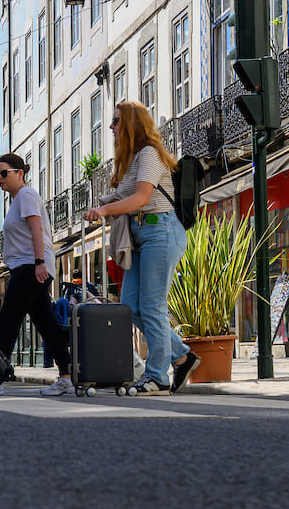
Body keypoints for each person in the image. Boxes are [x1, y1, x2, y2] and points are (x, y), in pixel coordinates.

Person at [84, 101, 200, 395]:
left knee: (152, 307)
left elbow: (140, 198)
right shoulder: (133, 160)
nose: (110, 127)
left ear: (132, 124)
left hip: (160, 232)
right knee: (132, 308)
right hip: (141, 238)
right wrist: (101, 204)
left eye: (115, 121)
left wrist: (105, 211)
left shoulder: (149, 154)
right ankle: (183, 357)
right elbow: (121, 196)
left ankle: (157, 376)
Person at [0, 153, 74, 396]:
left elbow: (37, 229)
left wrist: (39, 262)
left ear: (20, 173)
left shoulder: (26, 195)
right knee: (46, 324)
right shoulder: (17, 199)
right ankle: (67, 377)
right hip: (28, 265)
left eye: (3, 173)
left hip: (31, 265)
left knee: (8, 317)